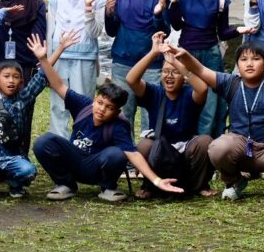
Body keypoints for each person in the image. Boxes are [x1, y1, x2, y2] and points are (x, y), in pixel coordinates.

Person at [175, 41, 264, 201]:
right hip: (240, 147)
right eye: (244, 59)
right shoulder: (231, 83)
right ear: (237, 65)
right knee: (218, 148)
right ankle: (234, 181)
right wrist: (184, 55)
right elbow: (200, 70)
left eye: (256, 59)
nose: (249, 64)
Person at [33, 71, 183, 202]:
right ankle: (66, 184)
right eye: (100, 103)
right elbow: (59, 85)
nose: (101, 109)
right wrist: (43, 58)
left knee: (118, 153)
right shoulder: (83, 105)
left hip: (96, 169)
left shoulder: (119, 126)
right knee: (43, 142)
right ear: (94, 99)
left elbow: (132, 153)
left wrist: (157, 180)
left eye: (109, 107)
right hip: (75, 161)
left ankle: (108, 188)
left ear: (117, 112)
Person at [0, 31, 80, 197]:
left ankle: (15, 184)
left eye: (15, 77)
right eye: (6, 76)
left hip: (12, 158)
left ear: (21, 82)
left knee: (28, 171)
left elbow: (42, 75)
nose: (11, 80)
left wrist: (59, 48)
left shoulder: (24, 98)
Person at [163, 0, 248, 137]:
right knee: (186, 98)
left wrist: (238, 30)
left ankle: (206, 145)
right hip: (186, 53)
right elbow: (176, 25)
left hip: (211, 54)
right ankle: (185, 142)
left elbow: (223, 32)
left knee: (210, 103)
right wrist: (173, 0)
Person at [126, 34, 214, 198]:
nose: (169, 76)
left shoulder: (189, 94)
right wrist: (153, 53)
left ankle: (199, 186)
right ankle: (150, 185)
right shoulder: (154, 93)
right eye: (166, 71)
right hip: (159, 150)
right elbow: (131, 80)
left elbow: (202, 89)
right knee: (144, 145)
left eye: (175, 72)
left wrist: (176, 62)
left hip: (186, 149)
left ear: (184, 78)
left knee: (204, 142)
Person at [105, 0, 169, 132]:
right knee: (123, 113)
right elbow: (111, 31)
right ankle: (124, 148)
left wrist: (158, 14)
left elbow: (164, 31)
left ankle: (149, 149)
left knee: (150, 114)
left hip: (151, 64)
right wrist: (109, 13)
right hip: (123, 62)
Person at [46, 0, 106, 137]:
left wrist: (88, 8)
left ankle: (83, 143)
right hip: (60, 56)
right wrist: (48, 61)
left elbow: (95, 33)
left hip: (84, 58)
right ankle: (59, 143)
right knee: (58, 105)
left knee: (84, 105)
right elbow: (51, 30)